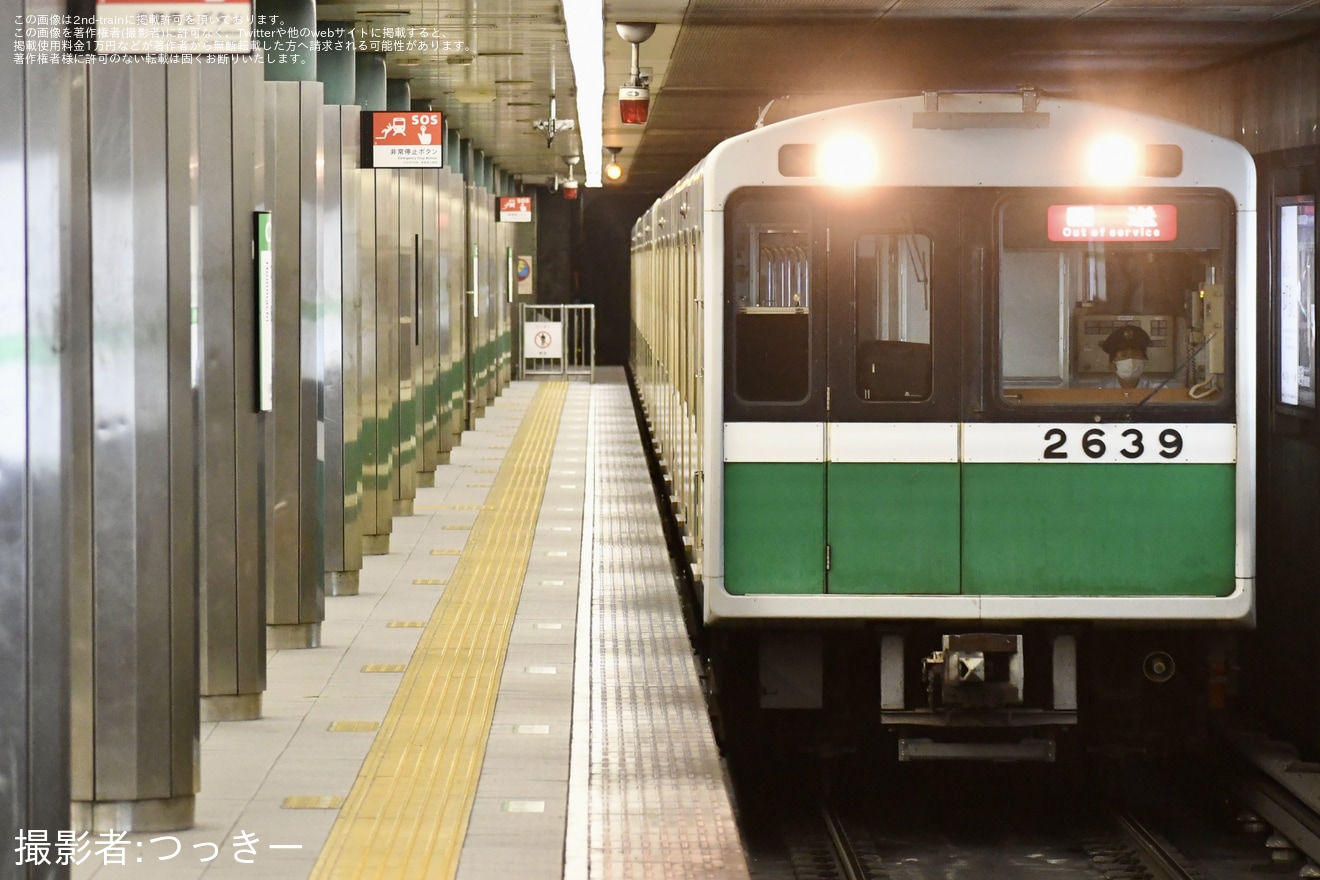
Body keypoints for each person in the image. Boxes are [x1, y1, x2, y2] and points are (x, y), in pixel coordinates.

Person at [1100, 324, 1152, 389]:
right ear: (1112, 363)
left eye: (1136, 355)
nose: (1131, 360)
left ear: (1144, 361)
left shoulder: (1159, 392)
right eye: (1123, 355)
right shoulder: (1100, 393)